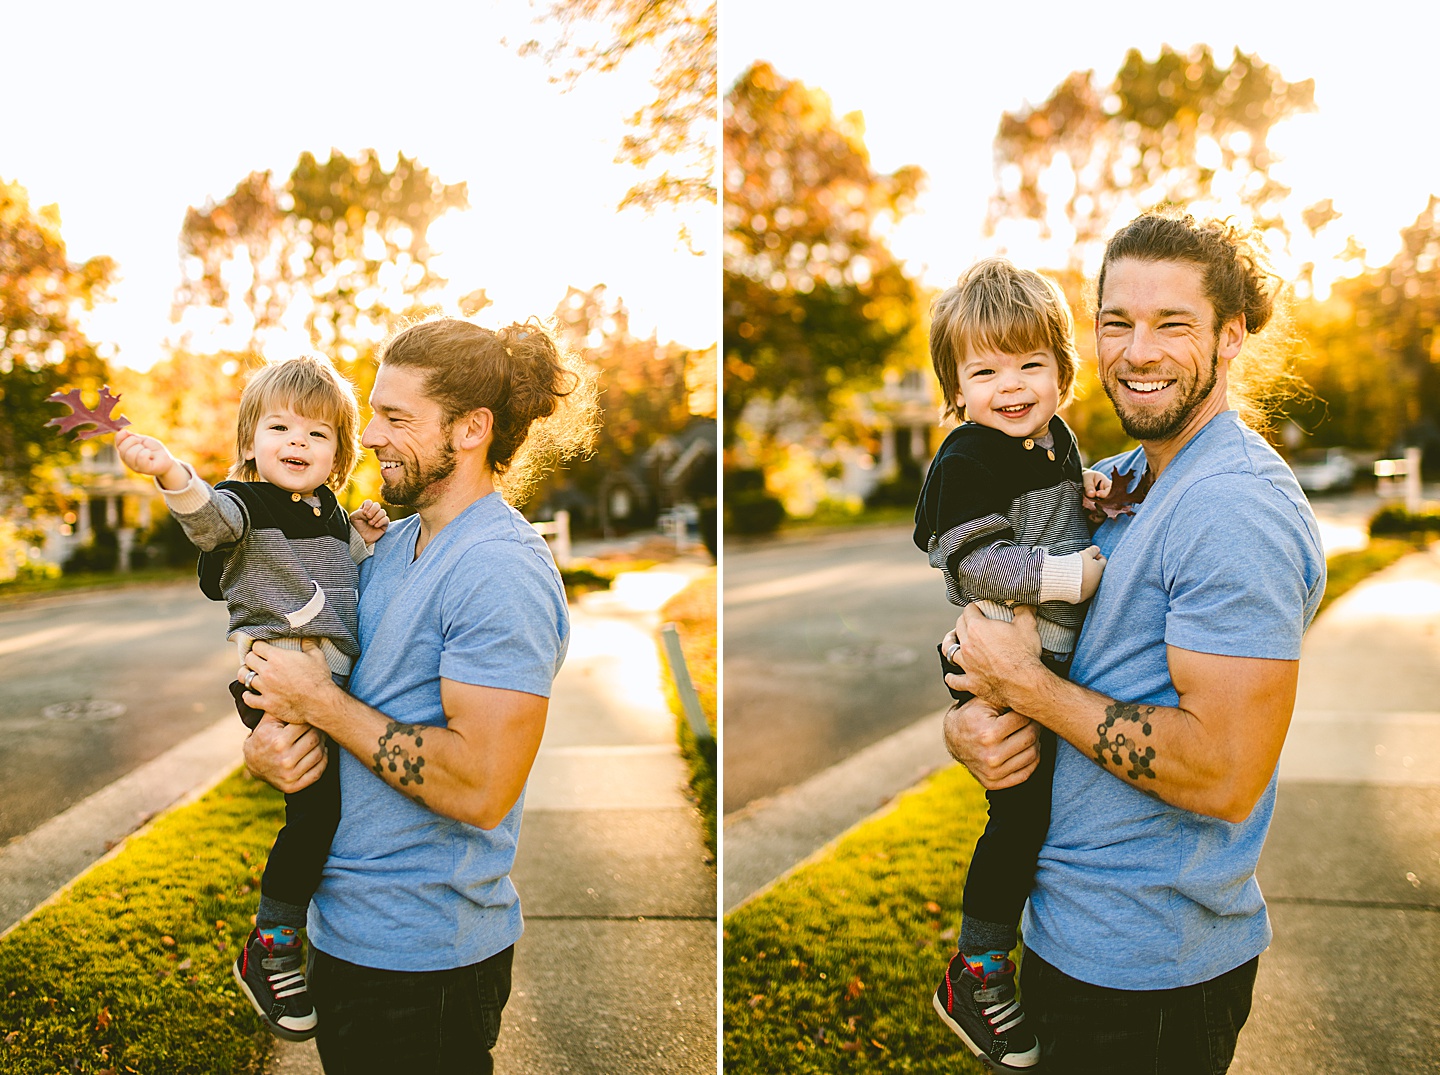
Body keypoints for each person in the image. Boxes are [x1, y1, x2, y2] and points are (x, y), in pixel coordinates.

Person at [941, 209, 1326, 1075]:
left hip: (1150, 977)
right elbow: (1055, 649)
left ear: (1230, 337)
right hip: (1073, 936)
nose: (1137, 350)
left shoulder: (1234, 510)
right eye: (1118, 322)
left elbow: (1224, 771)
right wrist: (972, 724)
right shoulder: (1125, 481)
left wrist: (1029, 692)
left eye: (1172, 323)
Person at [236, 316, 597, 1074]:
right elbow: (312, 674)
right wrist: (266, 744)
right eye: (372, 412)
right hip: (342, 935)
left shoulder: (499, 569)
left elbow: (480, 784)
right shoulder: (388, 546)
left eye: (395, 418)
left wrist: (321, 707)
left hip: (425, 961)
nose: (366, 436)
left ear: (471, 429)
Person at [115, 353, 390, 1041]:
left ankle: (301, 932)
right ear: (250, 444)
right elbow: (207, 520)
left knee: (334, 810)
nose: (297, 443)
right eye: (280, 428)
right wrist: (172, 472)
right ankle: (270, 943)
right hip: (281, 678)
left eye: (317, 434)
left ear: (339, 454)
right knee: (316, 810)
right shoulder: (248, 505)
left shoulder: (328, 515)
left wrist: (365, 536)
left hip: (326, 682)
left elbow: (343, 577)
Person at [915, 258, 1111, 1071]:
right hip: (995, 662)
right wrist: (1069, 574)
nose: (1012, 385)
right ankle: (977, 966)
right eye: (986, 369)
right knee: (1019, 818)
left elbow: (1062, 502)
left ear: (1064, 373)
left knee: (1048, 815)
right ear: (956, 390)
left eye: (1032, 363)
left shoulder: (1052, 441)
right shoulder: (967, 459)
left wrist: (1093, 487)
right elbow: (974, 566)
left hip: (1046, 667)